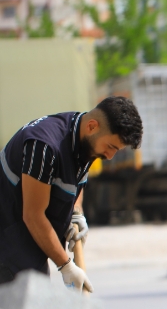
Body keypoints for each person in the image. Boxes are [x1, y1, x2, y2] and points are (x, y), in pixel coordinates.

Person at [0, 97, 143, 291]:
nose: (110, 156)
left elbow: (77, 180)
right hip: (8, 238)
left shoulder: (84, 139)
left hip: (24, 238)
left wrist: (76, 212)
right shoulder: (44, 147)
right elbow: (33, 215)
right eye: (110, 147)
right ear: (92, 126)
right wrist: (66, 265)